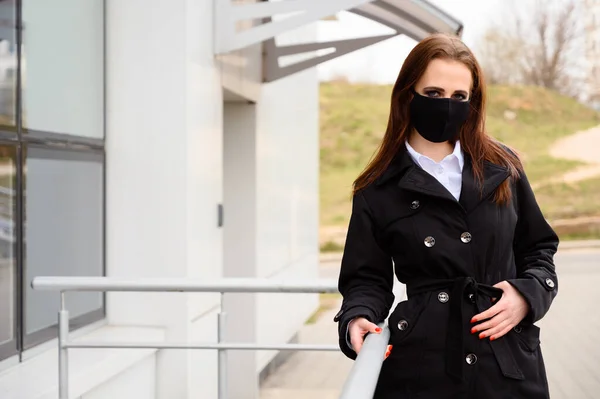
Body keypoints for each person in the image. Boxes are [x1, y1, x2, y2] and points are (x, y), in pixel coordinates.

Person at [333, 33, 559, 398]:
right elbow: (366, 279)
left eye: (459, 97)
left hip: (506, 360)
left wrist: (526, 296)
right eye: (434, 94)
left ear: (473, 102)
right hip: (423, 366)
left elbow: (539, 249)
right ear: (408, 94)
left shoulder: (503, 166)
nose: (447, 106)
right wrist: (356, 317)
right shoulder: (377, 188)